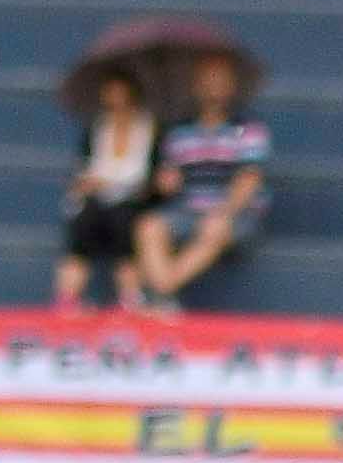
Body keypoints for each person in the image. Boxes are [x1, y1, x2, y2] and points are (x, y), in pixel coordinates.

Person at [135, 48, 272, 308]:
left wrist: (224, 212)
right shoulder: (179, 131)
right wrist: (166, 180)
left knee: (214, 230)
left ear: (232, 86)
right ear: (196, 86)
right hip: (188, 208)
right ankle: (164, 296)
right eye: (208, 80)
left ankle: (161, 292)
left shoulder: (248, 128)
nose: (214, 86)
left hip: (236, 213)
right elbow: (168, 176)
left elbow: (249, 178)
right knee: (149, 227)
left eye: (220, 80)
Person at [57, 65, 159, 309]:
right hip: (97, 198)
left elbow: (150, 174)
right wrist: (88, 183)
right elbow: (85, 167)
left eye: (121, 94)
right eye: (111, 94)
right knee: (83, 223)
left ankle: (130, 297)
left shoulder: (150, 128)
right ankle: (67, 299)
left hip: (134, 199)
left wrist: (117, 182)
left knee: (123, 224)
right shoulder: (97, 128)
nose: (116, 101)